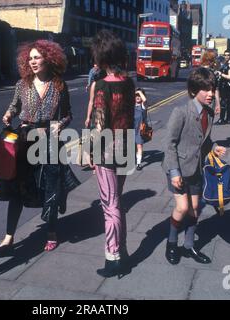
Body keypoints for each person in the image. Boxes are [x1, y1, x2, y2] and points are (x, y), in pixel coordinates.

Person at [0, 40, 75, 254]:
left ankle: (51, 231)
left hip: (49, 140)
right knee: (17, 189)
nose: (32, 61)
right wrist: (9, 114)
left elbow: (68, 113)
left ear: (49, 59)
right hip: (25, 139)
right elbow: (14, 105)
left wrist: (61, 123)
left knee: (50, 188)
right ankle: (8, 236)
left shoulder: (60, 85)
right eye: (29, 58)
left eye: (37, 57)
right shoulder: (22, 84)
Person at [162, 67, 227, 265]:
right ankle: (172, 243)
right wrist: (174, 172)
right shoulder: (181, 112)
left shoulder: (209, 113)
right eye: (205, 89)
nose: (210, 94)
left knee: (195, 208)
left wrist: (214, 148)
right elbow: (169, 143)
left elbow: (204, 141)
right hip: (178, 169)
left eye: (212, 89)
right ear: (193, 91)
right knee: (182, 208)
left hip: (197, 168)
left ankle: (189, 246)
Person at [91, 30, 135, 278]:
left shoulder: (101, 86)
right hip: (126, 147)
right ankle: (124, 251)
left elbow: (99, 124)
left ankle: (113, 257)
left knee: (110, 206)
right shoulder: (129, 83)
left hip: (107, 152)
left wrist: (90, 153)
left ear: (102, 58)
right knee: (118, 202)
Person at [216, 50, 230, 124]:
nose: (227, 56)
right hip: (223, 85)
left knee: (225, 102)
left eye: (228, 55)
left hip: (227, 86)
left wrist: (220, 74)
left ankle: (223, 119)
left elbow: (229, 77)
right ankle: (227, 118)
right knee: (226, 102)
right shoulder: (224, 63)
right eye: (225, 55)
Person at [200, 50, 221, 115]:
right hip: (209, 100)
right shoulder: (213, 73)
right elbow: (216, 89)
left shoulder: (197, 72)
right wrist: (218, 104)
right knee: (207, 122)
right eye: (214, 59)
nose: (215, 62)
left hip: (198, 100)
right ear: (210, 61)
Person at [134, 88, 148, 171]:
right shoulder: (131, 105)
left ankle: (138, 164)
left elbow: (145, 100)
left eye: (139, 95)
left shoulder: (143, 105)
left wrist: (138, 91)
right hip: (131, 128)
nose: (138, 97)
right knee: (133, 146)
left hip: (140, 129)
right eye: (136, 96)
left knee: (139, 146)